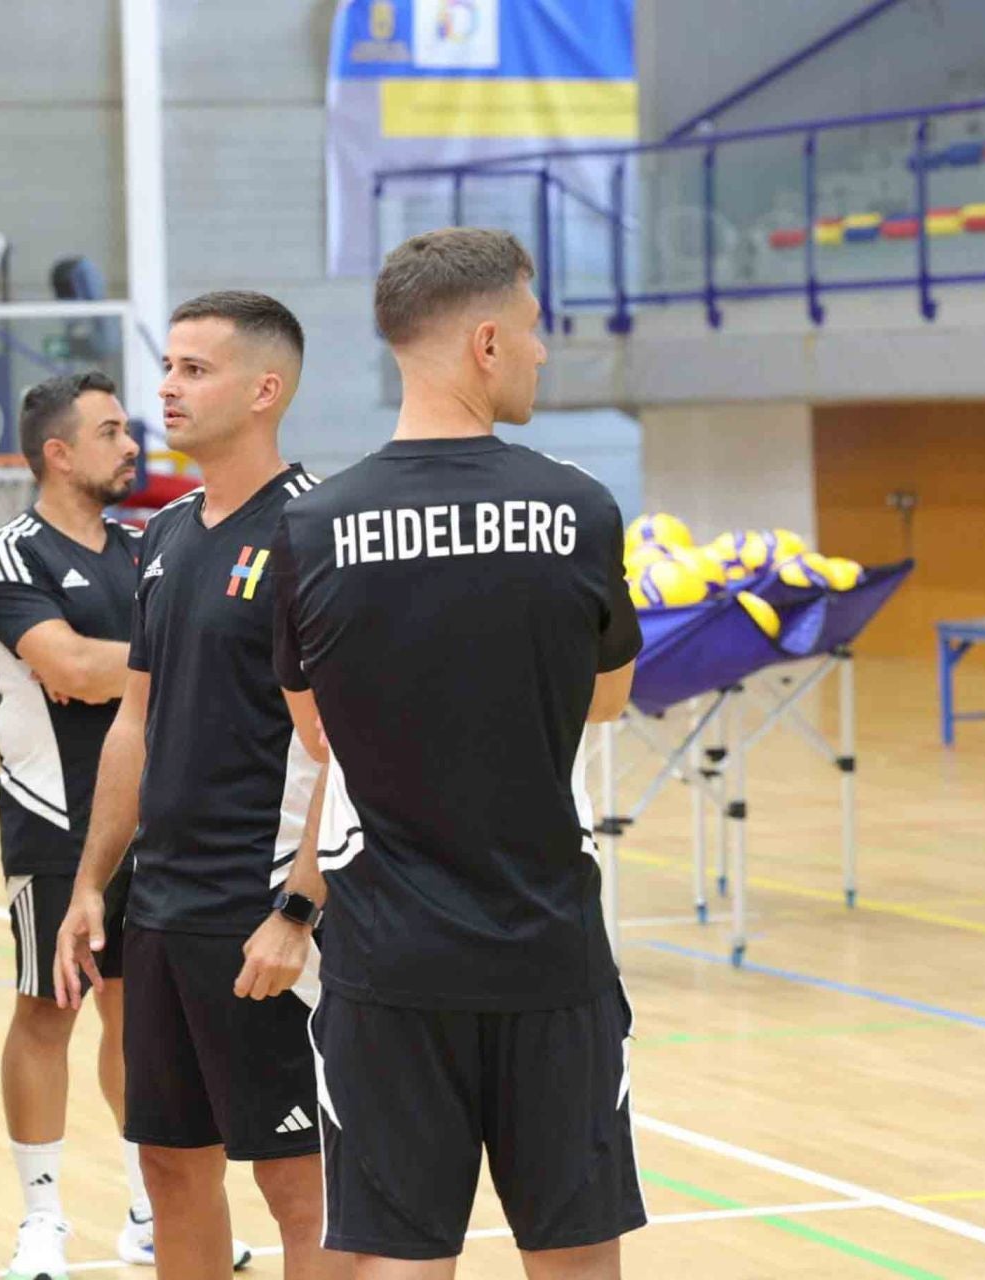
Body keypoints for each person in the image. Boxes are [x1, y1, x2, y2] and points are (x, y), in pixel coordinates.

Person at [267, 227, 644, 1279]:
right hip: (549, 953)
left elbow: (315, 730)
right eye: (531, 329)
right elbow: (606, 700)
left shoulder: (312, 529)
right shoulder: (577, 508)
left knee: (403, 1262)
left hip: (389, 963)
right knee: (575, 1259)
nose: (541, 352)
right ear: (484, 340)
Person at [54, 293, 344, 1280]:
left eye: (193, 369)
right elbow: (135, 720)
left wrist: (300, 905)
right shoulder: (168, 534)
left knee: (301, 1190)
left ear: (264, 390)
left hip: (260, 913)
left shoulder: (315, 530)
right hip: (164, 911)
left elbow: (347, 745)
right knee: (173, 1168)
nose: (165, 389)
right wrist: (93, 882)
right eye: (167, 366)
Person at [0, 372, 176, 1277]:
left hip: (154, 822)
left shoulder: (148, 545)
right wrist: (170, 655)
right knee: (48, 1011)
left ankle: (149, 1210)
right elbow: (70, 668)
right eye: (111, 431)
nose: (132, 445)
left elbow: (97, 667)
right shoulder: (11, 553)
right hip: (54, 819)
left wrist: (109, 662)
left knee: (141, 1022)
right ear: (58, 452)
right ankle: (42, 1218)